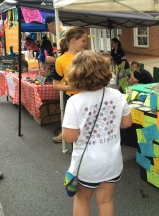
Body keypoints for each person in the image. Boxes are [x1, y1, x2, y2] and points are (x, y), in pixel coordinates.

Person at [62, 50, 132, 216]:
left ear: (76, 74)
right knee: (106, 200)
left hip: (87, 164)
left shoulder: (74, 101)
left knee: (82, 199)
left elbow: (69, 137)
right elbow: (127, 123)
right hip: (112, 161)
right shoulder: (117, 95)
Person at [52, 26, 88, 143]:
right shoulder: (61, 60)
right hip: (72, 99)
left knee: (89, 130)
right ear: (73, 40)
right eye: (83, 41)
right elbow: (56, 84)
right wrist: (71, 87)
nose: (86, 44)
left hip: (90, 98)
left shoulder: (87, 57)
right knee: (75, 134)